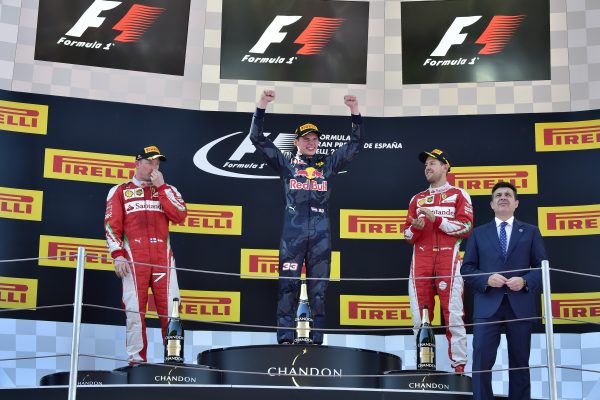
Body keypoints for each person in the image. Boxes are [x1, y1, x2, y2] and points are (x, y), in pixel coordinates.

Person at [250, 89, 363, 344]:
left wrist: (354, 111)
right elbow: (256, 137)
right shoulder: (286, 164)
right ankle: (285, 339)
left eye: (315, 139)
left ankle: (317, 340)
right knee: (288, 287)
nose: (311, 143)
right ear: (297, 142)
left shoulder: (329, 165)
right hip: (293, 235)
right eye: (306, 139)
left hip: (321, 236)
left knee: (319, 291)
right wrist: (262, 105)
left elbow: (356, 144)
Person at [461, 181, 546, 400]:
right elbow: (467, 268)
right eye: (498, 195)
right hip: (487, 307)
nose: (503, 197)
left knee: (520, 363)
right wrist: (487, 279)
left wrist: (525, 282)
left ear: (516, 203)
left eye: (508, 194)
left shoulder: (531, 231)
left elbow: (541, 268)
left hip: (520, 306)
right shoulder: (478, 234)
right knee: (481, 363)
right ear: (491, 204)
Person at [104, 145, 187, 363]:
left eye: (157, 162)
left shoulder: (169, 190)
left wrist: (161, 188)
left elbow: (180, 216)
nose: (154, 166)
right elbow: (112, 226)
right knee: (134, 311)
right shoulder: (120, 190)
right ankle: (136, 361)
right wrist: (117, 254)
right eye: (150, 162)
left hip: (163, 259)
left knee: (172, 312)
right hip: (133, 259)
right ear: (137, 162)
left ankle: (174, 359)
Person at [402, 148, 472, 373]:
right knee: (419, 318)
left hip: (448, 259)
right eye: (425, 165)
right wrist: (416, 228)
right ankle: (424, 365)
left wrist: (437, 219)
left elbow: (466, 227)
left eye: (433, 163)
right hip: (421, 260)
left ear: (446, 167)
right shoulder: (417, 198)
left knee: (454, 315)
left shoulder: (459, 194)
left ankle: (459, 369)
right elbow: (407, 236)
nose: (428, 168)